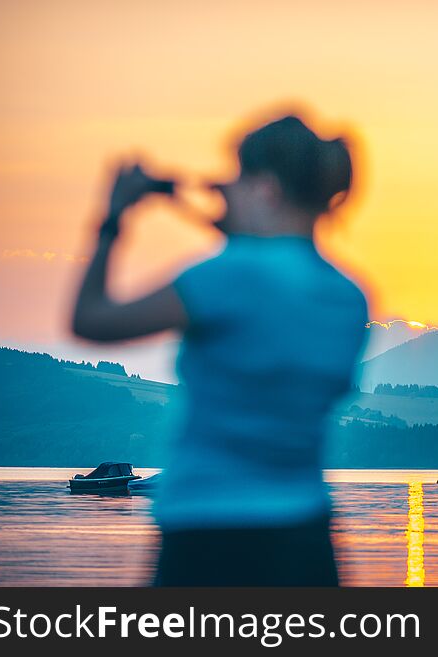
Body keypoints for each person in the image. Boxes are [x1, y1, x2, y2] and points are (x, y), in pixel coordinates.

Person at [72, 114, 368, 586]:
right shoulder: (347, 297)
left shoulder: (223, 277)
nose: (226, 188)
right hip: (307, 541)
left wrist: (114, 217)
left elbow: (90, 319)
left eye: (237, 177)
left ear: (265, 189)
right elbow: (273, 278)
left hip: (208, 536)